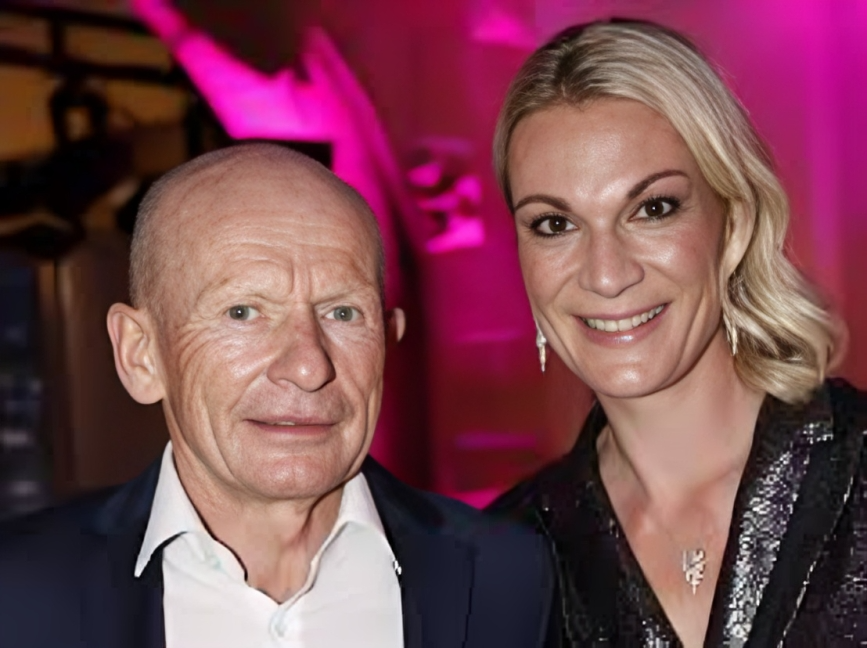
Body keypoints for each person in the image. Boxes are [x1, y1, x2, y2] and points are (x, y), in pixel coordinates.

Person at [0, 143, 555, 648]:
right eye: (243, 312)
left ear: (388, 342)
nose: (309, 366)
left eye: (343, 313)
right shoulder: (18, 593)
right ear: (141, 355)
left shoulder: (509, 576)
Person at [489, 19, 867, 648]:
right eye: (554, 224)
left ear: (734, 222)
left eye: (653, 208)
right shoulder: (505, 563)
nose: (606, 275)